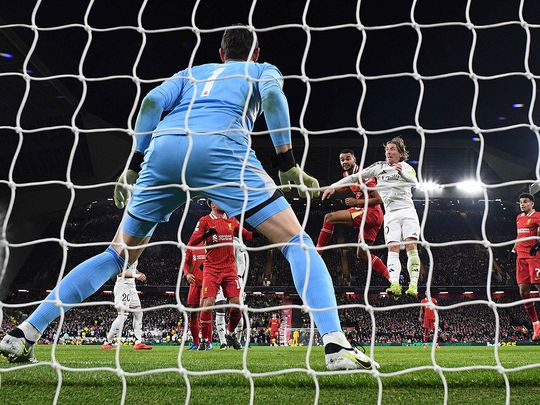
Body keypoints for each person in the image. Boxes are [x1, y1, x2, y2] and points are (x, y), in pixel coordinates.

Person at [0, 25, 377, 370]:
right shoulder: (261, 71)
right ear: (257, 52)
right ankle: (335, 346)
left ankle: (25, 334)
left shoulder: (190, 73)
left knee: (116, 254)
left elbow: (150, 103)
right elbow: (275, 99)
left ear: (220, 51)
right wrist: (287, 165)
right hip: (221, 150)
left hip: (164, 151)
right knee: (297, 243)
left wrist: (133, 166)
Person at [322, 137, 420, 298]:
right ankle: (394, 283)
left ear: (400, 153)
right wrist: (333, 186)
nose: (388, 152)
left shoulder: (406, 167)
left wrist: (401, 172)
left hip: (407, 211)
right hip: (390, 214)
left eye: (392, 149)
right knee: (393, 248)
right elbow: (354, 177)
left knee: (411, 246)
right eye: (387, 149)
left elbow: (414, 181)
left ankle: (413, 286)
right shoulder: (378, 167)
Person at [316, 149, 389, 283]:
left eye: (348, 158)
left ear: (354, 159)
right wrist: (318, 190)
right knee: (362, 254)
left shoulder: (364, 176)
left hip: (371, 212)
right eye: (342, 159)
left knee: (329, 218)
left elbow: (379, 199)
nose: (345, 162)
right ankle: (393, 279)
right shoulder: (347, 174)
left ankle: (317, 255)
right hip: (374, 217)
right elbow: (343, 187)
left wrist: (357, 202)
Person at [101, 261, 152, 350]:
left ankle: (138, 342)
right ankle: (107, 342)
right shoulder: (123, 253)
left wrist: (140, 274)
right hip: (122, 287)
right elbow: (120, 273)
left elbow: (133, 269)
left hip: (132, 288)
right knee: (122, 316)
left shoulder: (135, 254)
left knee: (138, 313)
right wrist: (136, 276)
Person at [509, 193, 540, 340]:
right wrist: (513, 250)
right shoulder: (519, 218)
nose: (522, 204)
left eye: (525, 202)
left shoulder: (538, 216)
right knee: (523, 292)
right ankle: (536, 323)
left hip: (534, 257)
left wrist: (538, 244)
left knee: (538, 285)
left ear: (532, 203)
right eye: (521, 202)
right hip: (520, 257)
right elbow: (519, 236)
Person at [215, 237, 249, 349]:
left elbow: (241, 263)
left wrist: (237, 278)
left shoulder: (236, 243)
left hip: (235, 279)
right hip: (219, 279)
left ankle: (236, 339)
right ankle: (223, 342)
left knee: (237, 310)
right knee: (220, 308)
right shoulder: (214, 242)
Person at [183, 241, 206, 350]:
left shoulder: (212, 244)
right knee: (193, 313)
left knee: (204, 312)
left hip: (207, 283)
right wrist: (187, 274)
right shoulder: (191, 246)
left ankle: (207, 341)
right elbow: (186, 263)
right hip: (194, 284)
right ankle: (195, 343)